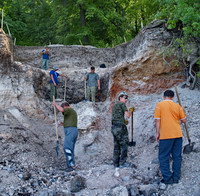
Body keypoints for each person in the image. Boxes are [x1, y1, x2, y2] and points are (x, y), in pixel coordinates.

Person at [154, 89, 187, 184]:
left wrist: (157, 133)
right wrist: (182, 112)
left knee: (164, 156)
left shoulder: (159, 105)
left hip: (165, 135)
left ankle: (168, 178)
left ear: (164, 96)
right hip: (178, 134)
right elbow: (184, 120)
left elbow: (157, 120)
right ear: (173, 97)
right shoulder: (177, 106)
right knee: (177, 156)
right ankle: (176, 177)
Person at [52, 101, 78, 172]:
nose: (63, 113)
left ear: (65, 106)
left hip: (71, 131)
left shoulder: (69, 109)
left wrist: (55, 104)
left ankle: (71, 166)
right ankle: (72, 165)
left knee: (67, 148)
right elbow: (69, 123)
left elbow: (62, 110)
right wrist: (62, 124)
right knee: (70, 149)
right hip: (73, 130)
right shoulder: (72, 112)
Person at [111, 91, 134, 168]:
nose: (126, 99)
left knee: (116, 145)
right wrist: (130, 111)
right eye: (125, 98)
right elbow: (128, 115)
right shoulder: (122, 104)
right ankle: (122, 162)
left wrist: (124, 121)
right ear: (120, 97)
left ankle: (115, 163)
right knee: (124, 144)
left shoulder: (115, 105)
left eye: (127, 98)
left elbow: (116, 116)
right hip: (120, 127)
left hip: (114, 127)